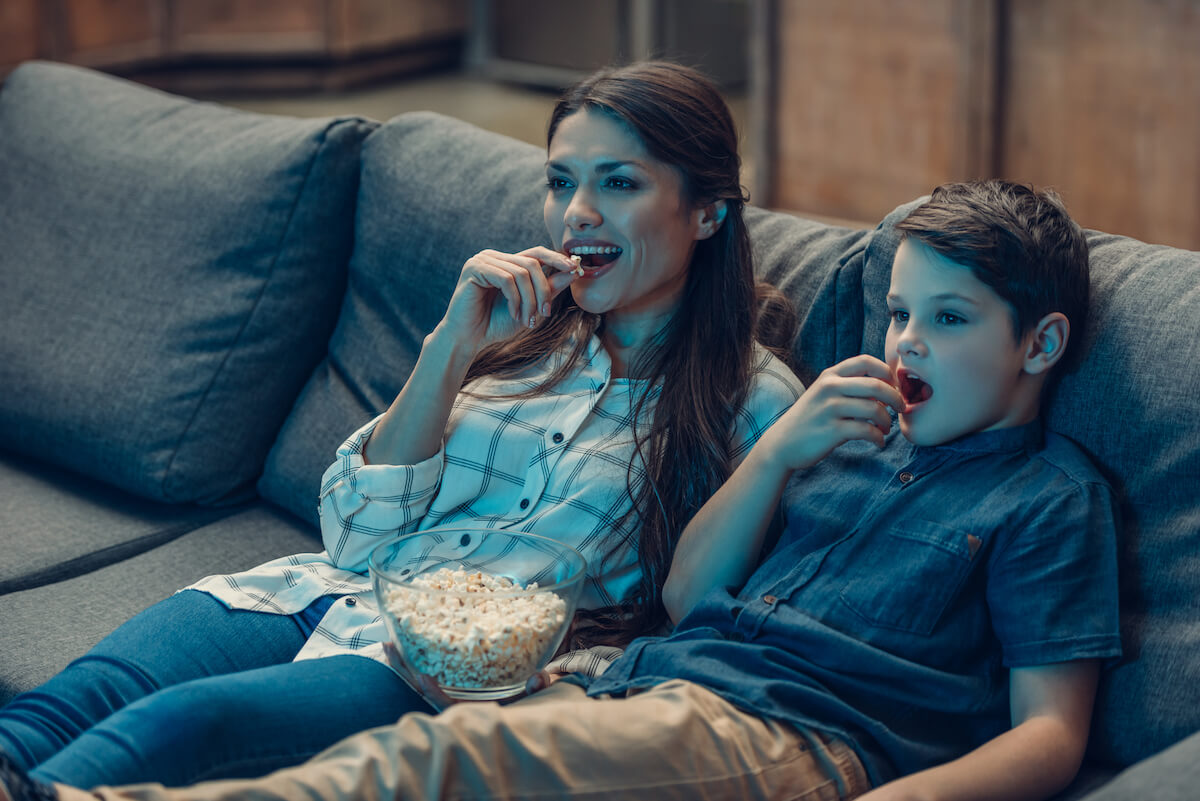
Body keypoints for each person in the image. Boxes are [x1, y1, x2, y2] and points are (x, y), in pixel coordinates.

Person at [0, 178, 1123, 801]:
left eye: (950, 320)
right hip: (642, 687)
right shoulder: (838, 434)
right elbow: (692, 596)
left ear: (1041, 344)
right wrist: (780, 456)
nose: (905, 341)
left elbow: (1051, 737)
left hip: (787, 736)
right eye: (897, 313)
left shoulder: (1046, 502)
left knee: (431, 764)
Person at [0, 61, 805, 791]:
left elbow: (704, 611)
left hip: (439, 667)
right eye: (561, 182)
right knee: (52, 714)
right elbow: (352, 537)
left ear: (706, 212)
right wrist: (449, 346)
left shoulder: (755, 403)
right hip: (311, 591)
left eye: (619, 183)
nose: (578, 213)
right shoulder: (517, 336)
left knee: (172, 729)